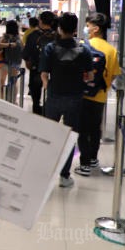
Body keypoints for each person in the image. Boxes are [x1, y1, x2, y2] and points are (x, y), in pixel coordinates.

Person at [40, 12, 94, 188]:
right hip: (75, 97)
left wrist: (48, 85)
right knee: (70, 137)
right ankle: (64, 176)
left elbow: (44, 74)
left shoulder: (50, 48)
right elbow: (90, 76)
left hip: (54, 96)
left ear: (59, 28)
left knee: (49, 135)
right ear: (75, 28)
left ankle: (45, 174)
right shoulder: (84, 49)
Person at [75, 12, 121, 176]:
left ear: (95, 28)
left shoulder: (83, 45)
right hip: (100, 95)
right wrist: (105, 85)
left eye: (88, 26)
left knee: (82, 129)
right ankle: (93, 159)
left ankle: (85, 165)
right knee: (95, 129)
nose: (86, 29)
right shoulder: (111, 50)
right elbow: (115, 74)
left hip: (82, 94)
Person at [22, 11, 57, 115]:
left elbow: (25, 54)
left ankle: (37, 111)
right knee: (52, 95)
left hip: (36, 69)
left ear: (40, 21)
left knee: (36, 96)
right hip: (54, 71)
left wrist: (28, 61)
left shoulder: (33, 35)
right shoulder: (57, 36)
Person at [0, 20, 23, 100]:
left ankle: (1, 98)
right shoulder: (19, 38)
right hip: (15, 62)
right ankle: (13, 99)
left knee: (2, 81)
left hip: (4, 61)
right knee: (14, 82)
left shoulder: (4, 38)